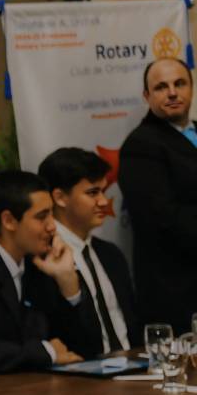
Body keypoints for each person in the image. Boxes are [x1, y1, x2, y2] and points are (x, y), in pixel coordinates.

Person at [0, 171, 101, 376]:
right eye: (42, 217)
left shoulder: (41, 265)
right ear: (9, 220)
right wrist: (45, 352)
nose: (52, 226)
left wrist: (68, 284)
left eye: (52, 214)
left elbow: (85, 350)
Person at [119, 57, 197, 334]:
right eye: (161, 87)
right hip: (176, 291)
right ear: (147, 96)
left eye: (180, 83)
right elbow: (162, 219)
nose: (172, 92)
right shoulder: (141, 145)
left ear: (191, 87)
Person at [39, 147, 140, 353]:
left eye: (103, 191)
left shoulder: (111, 254)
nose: (103, 202)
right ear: (60, 197)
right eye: (92, 193)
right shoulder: (43, 259)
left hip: (134, 363)